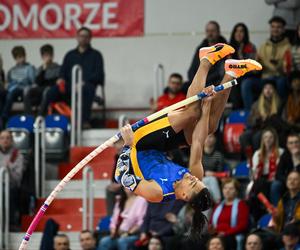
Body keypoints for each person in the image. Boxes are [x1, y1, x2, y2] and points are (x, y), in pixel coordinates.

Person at [116, 44, 261, 236]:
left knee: (192, 111)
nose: (192, 178)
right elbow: (199, 141)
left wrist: (127, 145)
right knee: (209, 127)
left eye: (192, 183)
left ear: (183, 195)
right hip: (159, 147)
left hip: (139, 144)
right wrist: (208, 106)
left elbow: (122, 176)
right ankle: (231, 73)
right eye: (196, 181)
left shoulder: (157, 193)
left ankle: (206, 60)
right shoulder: (195, 176)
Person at [43, 27, 105, 128]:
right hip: (69, 86)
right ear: (77, 37)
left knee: (87, 89)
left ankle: (84, 121)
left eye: (86, 36)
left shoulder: (96, 55)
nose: (83, 38)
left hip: (86, 86)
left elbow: (99, 75)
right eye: (81, 36)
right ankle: (45, 119)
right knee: (51, 92)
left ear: (90, 38)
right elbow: (62, 72)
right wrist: (61, 79)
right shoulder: (70, 55)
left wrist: (83, 82)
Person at [239, 80, 282, 153]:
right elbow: (249, 121)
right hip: (258, 127)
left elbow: (281, 121)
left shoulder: (279, 103)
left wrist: (268, 119)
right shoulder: (256, 104)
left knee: (257, 137)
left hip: (272, 128)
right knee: (244, 136)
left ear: (274, 90)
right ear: (262, 90)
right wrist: (257, 119)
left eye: (270, 88)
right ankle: (249, 158)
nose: (268, 90)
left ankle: (259, 157)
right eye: (265, 88)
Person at [209, 178, 249, 250]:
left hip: (231, 235)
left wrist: (226, 233)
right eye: (225, 188)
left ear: (236, 191)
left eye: (231, 188)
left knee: (226, 240)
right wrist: (212, 230)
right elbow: (211, 222)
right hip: (217, 234)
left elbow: (242, 225)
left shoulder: (241, 205)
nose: (227, 191)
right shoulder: (218, 205)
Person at [187, 21, 228, 90]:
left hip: (216, 84)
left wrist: (203, 82)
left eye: (212, 31)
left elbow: (221, 72)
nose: (210, 33)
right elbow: (192, 69)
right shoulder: (201, 48)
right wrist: (194, 83)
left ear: (218, 32)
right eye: (208, 31)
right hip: (200, 83)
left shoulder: (225, 49)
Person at [257, 16, 291, 99]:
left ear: (283, 30)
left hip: (280, 77)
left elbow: (287, 69)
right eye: (273, 27)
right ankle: (251, 111)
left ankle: (280, 111)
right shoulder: (263, 46)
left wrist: (279, 65)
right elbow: (258, 66)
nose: (275, 29)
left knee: (281, 83)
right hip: (265, 77)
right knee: (246, 84)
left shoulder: (288, 47)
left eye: (278, 27)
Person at [1, 46, 35, 125]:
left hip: (22, 89)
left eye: (22, 56)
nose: (21, 59)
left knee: (12, 92)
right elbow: (8, 82)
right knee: (3, 93)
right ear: (15, 58)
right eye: (18, 57)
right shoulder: (12, 70)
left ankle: (4, 115)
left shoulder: (29, 68)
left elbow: (32, 82)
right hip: (11, 89)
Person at [251, 128, 284, 207]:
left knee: (268, 185)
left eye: (270, 137)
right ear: (262, 139)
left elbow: (281, 170)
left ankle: (273, 209)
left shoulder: (281, 152)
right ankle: (260, 208)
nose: (268, 140)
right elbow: (254, 171)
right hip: (261, 178)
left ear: (274, 139)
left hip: (276, 177)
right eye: (265, 137)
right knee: (259, 183)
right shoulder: (257, 153)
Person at [229, 22, 258, 110]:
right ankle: (235, 114)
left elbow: (252, 68)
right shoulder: (229, 48)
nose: (238, 34)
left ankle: (246, 114)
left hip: (248, 76)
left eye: (241, 31)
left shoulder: (250, 47)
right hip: (233, 76)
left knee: (240, 83)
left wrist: (241, 55)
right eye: (236, 31)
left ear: (245, 34)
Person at [24, 44, 60, 115]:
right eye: (44, 56)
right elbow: (38, 82)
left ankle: (40, 116)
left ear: (52, 56)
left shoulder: (58, 67)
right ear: (42, 57)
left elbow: (55, 81)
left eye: (48, 55)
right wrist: (44, 69)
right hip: (40, 88)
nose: (47, 58)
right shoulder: (40, 69)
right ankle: (29, 116)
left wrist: (47, 81)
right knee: (26, 90)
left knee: (46, 91)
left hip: (50, 89)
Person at [0, 130, 24, 229]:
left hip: (10, 186)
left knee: (4, 191)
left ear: (12, 140)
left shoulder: (17, 155)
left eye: (7, 138)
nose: (5, 140)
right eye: (2, 138)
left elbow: (17, 179)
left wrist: (8, 169)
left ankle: (8, 223)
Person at [274, 133, 300, 200]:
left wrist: (296, 158)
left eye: (296, 142)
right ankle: (277, 209)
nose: (294, 145)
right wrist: (289, 181)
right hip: (288, 182)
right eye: (291, 143)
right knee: (276, 185)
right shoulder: (285, 155)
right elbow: (278, 174)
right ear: (287, 145)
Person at [202, 133, 224, 203]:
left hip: (213, 183)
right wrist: (205, 173)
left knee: (207, 190)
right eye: (206, 137)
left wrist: (213, 174)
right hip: (199, 179)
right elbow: (192, 169)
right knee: (211, 180)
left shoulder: (218, 155)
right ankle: (218, 203)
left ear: (215, 139)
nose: (208, 139)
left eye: (210, 137)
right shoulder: (198, 154)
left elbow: (220, 172)